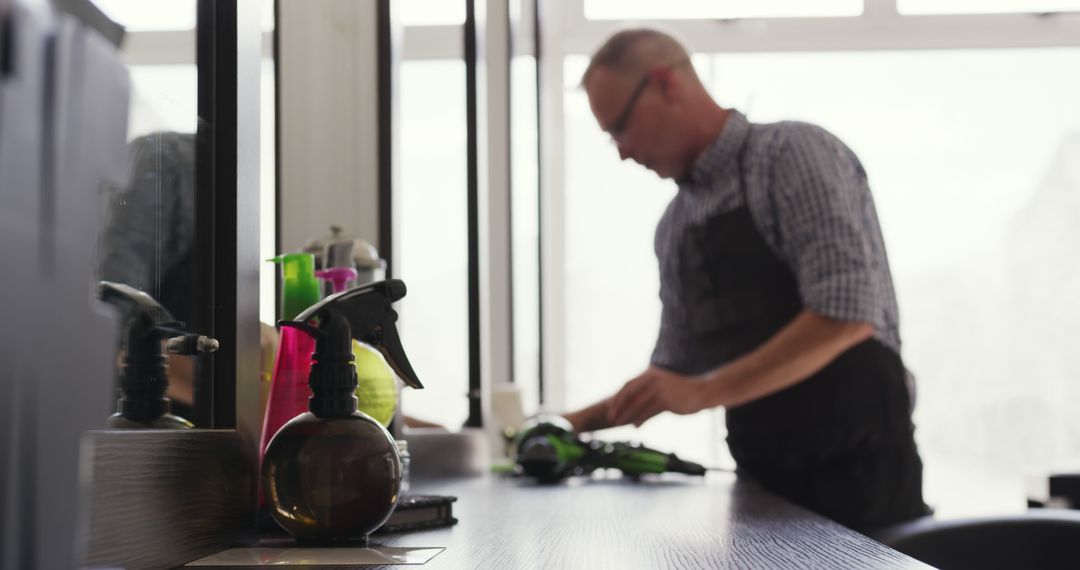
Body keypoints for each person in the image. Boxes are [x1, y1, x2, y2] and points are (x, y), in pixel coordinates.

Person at [563, 28, 929, 533]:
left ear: (666, 83)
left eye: (620, 128)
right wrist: (566, 425)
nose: (621, 153)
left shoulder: (790, 154)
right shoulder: (674, 227)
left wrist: (705, 389)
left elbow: (846, 315)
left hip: (864, 488)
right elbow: (673, 373)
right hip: (763, 494)